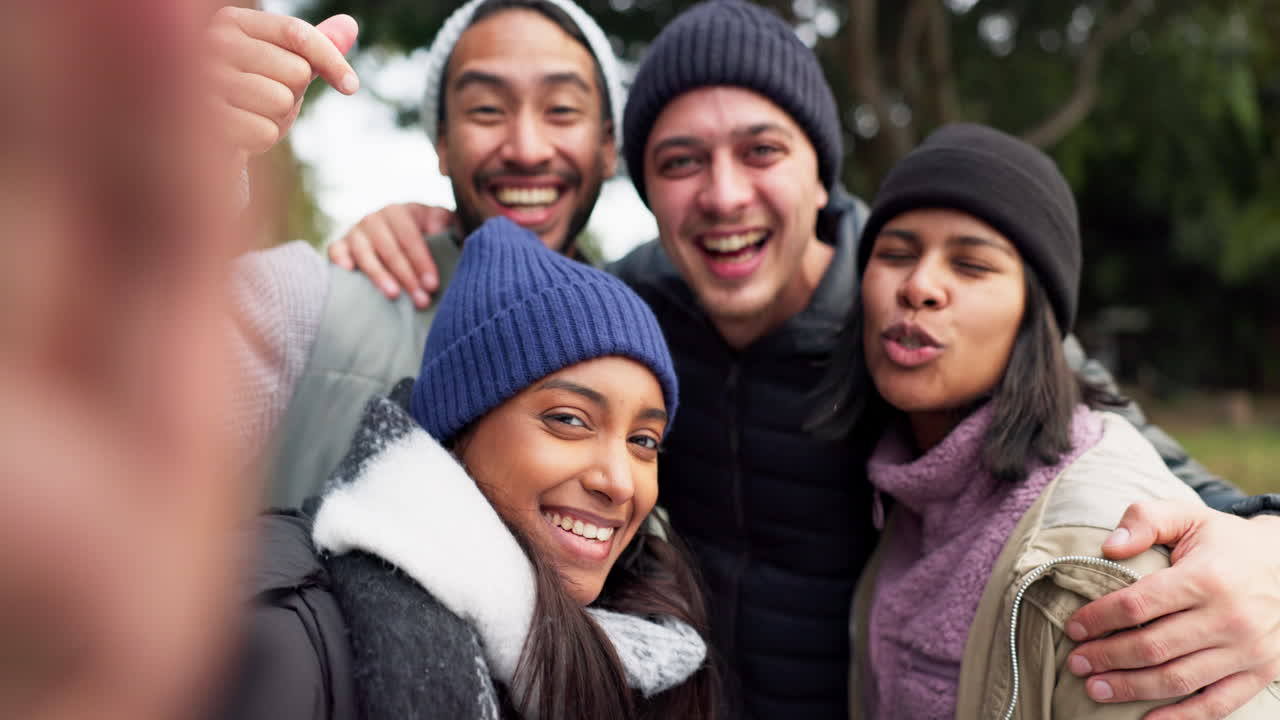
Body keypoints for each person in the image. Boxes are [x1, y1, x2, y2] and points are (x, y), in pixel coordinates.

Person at [328, 2, 1280, 717]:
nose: (723, 194)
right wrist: (438, 228)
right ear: (647, 186)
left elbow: (1115, 448)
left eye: (762, 150)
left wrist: (1269, 547)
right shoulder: (626, 319)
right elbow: (510, 316)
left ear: (821, 170)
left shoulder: (909, 313)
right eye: (682, 161)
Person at [814, 122, 1280, 719]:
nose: (919, 285)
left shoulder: (1099, 554)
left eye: (972, 265)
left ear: (1037, 320)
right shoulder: (902, 496)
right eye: (897, 254)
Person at [219, 217, 715, 720]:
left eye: (643, 441)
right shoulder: (283, 629)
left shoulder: (657, 639)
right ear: (459, 428)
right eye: (569, 420)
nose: (617, 481)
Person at [212, 0, 626, 506]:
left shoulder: (655, 351)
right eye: (487, 110)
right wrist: (184, 175)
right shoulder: (311, 304)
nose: (526, 148)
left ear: (608, 146)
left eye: (561, 109)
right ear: (443, 144)